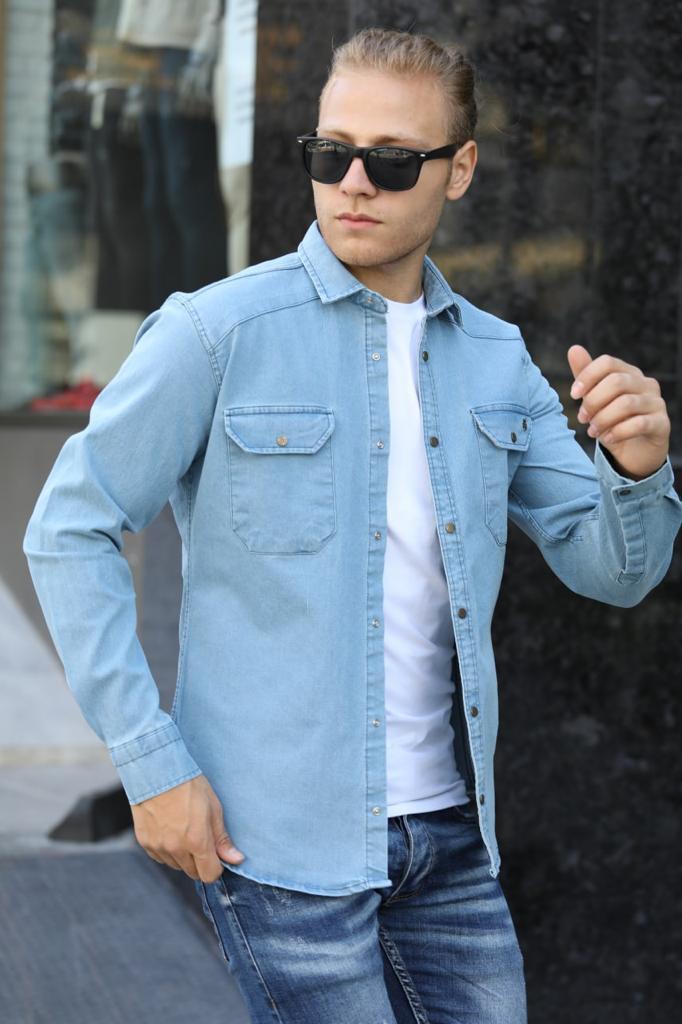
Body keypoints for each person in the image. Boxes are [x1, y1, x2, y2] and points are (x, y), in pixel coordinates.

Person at [23, 26, 682, 1024]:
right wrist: (150, 762)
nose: (353, 184)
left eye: (392, 160)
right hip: (278, 845)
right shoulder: (215, 333)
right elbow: (70, 528)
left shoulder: (497, 358)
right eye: (330, 154)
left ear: (460, 168)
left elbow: (614, 573)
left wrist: (636, 467)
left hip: (451, 843)